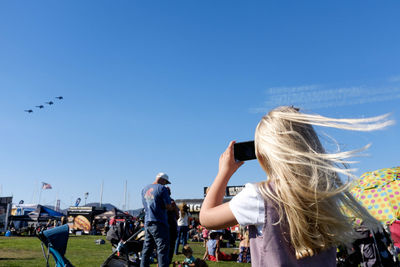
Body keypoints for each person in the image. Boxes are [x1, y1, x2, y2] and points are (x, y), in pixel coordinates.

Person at [200, 106, 393, 266]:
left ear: (263, 154)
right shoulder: (326, 194)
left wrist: (223, 173)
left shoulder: (259, 196)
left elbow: (207, 217)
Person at [140, 172, 173, 267]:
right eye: (165, 182)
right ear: (163, 180)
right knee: (162, 248)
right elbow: (168, 206)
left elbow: (145, 205)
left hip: (148, 221)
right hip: (159, 221)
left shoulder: (144, 189)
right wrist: (172, 207)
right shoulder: (162, 189)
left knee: (147, 248)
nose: (165, 184)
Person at [166, 186, 179, 265]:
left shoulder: (171, 202)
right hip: (171, 226)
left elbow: (177, 216)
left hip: (168, 227)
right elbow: (178, 216)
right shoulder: (172, 201)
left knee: (164, 248)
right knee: (170, 247)